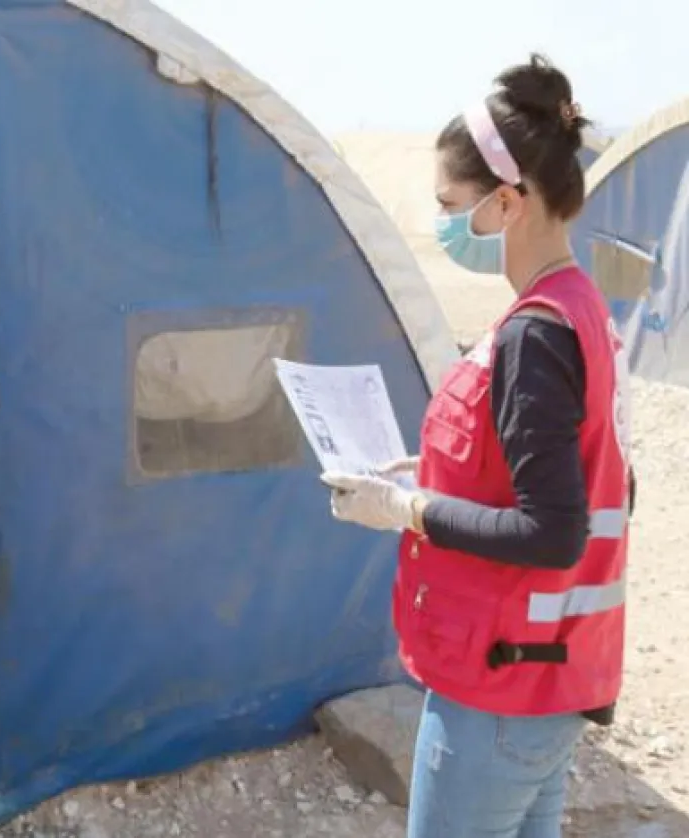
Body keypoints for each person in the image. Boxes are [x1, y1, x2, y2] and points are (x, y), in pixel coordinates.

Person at [319, 56, 634, 838]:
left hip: (499, 693)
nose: (444, 225)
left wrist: (410, 509)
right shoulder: (578, 308)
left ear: (507, 202)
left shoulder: (533, 336)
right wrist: (437, 474)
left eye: (450, 205)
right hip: (551, 677)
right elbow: (604, 486)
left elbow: (555, 531)